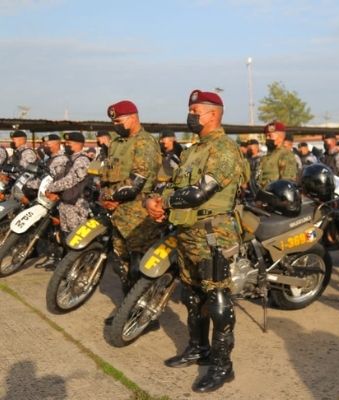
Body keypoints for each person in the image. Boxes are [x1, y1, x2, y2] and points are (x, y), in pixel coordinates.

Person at [145, 89, 245, 393]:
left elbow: (199, 192)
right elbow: (175, 185)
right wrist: (156, 202)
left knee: (217, 299)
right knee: (192, 295)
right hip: (188, 231)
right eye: (190, 109)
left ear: (213, 114)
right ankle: (199, 347)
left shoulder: (224, 150)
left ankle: (222, 365)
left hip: (213, 233)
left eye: (196, 110)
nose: (190, 115)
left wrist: (162, 201)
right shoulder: (193, 150)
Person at [100, 100, 163, 295]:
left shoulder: (144, 142)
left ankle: (144, 314)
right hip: (118, 212)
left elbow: (138, 181)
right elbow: (107, 174)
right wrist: (105, 196)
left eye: (119, 121)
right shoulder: (117, 144)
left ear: (133, 118)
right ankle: (127, 314)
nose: (115, 125)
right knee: (122, 264)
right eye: (113, 122)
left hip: (139, 212)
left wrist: (111, 196)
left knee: (140, 266)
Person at [44, 132, 91, 258]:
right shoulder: (70, 159)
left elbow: (71, 180)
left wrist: (51, 188)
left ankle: (79, 265)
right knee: (66, 236)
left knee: (76, 237)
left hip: (77, 205)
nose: (66, 146)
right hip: (66, 202)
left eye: (69, 143)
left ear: (78, 144)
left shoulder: (82, 160)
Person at [256, 121, 298, 188]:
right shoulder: (266, 157)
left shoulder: (286, 155)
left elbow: (287, 184)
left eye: (270, 136)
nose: (267, 138)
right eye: (266, 136)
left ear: (280, 137)